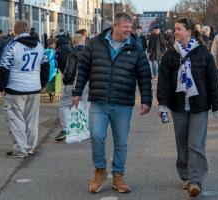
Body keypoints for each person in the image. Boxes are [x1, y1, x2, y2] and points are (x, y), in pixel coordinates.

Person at [72, 12, 152, 194]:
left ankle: (118, 175)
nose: (129, 31)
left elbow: (144, 76)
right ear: (115, 26)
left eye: (130, 28)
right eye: (126, 28)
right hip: (99, 101)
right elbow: (83, 68)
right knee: (97, 136)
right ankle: (100, 170)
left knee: (121, 142)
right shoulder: (95, 43)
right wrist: (77, 92)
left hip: (123, 103)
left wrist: (146, 100)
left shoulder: (136, 47)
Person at [157, 17, 218, 198]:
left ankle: (195, 181)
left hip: (199, 107)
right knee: (181, 144)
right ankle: (185, 175)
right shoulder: (170, 55)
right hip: (178, 106)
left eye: (179, 29)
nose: (175, 31)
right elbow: (163, 82)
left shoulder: (203, 53)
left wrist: (217, 105)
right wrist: (162, 104)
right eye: (175, 29)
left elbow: (212, 81)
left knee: (196, 145)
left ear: (189, 31)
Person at [0, 20, 49, 158]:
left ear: (15, 31)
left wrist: (2, 87)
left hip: (15, 88)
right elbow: (46, 66)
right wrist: (43, 84)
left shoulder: (12, 45)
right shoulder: (39, 46)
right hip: (34, 88)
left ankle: (20, 150)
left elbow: (3, 68)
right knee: (31, 120)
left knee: (16, 120)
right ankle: (29, 148)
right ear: (28, 30)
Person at [55, 33, 89, 142]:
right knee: (83, 105)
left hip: (73, 83)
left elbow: (69, 71)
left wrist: (65, 81)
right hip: (87, 83)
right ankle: (83, 129)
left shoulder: (73, 54)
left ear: (73, 43)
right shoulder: (90, 54)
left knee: (64, 105)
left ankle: (65, 129)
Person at [45, 38, 58, 103]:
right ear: (50, 45)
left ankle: (52, 94)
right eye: (53, 44)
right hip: (52, 68)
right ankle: (51, 94)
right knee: (52, 82)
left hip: (52, 69)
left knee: (51, 82)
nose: (55, 45)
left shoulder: (46, 51)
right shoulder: (50, 51)